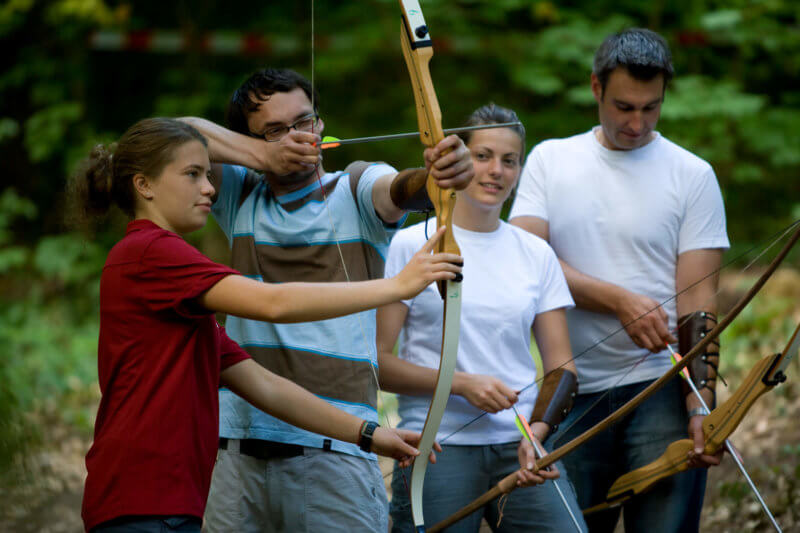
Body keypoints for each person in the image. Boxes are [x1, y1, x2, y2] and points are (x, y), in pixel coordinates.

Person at [71, 117, 462, 533]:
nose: (208, 187)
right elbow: (272, 303)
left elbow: (263, 385)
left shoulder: (171, 281)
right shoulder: (152, 252)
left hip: (159, 499)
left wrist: (367, 434)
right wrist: (396, 286)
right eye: (192, 174)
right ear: (143, 185)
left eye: (207, 173)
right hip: (143, 501)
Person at [178, 67, 474, 532]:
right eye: (274, 130)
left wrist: (440, 174)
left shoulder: (354, 186)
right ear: (247, 143)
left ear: (321, 125)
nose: (296, 137)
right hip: (236, 451)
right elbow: (175, 135)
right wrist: (265, 156)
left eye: (304, 122)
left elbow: (402, 190)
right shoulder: (238, 193)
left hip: (336, 452)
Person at [509, 28, 729, 532]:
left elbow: (698, 297)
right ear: (595, 88)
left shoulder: (692, 174)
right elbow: (524, 261)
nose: (637, 123)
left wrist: (701, 405)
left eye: (651, 108)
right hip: (568, 392)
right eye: (625, 107)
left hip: (659, 391)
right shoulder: (550, 160)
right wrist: (617, 301)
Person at [377, 104, 586, 532]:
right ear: (458, 159)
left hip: (521, 442)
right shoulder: (411, 244)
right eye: (483, 155)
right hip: (435, 446)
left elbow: (562, 366)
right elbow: (377, 362)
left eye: (509, 161)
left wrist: (538, 434)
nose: (496, 171)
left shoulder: (535, 253)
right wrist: (462, 384)